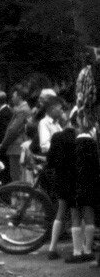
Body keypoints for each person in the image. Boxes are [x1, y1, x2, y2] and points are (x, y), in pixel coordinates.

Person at [45, 109, 75, 260]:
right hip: (76, 180)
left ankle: (52, 247)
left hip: (60, 179)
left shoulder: (57, 137)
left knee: (60, 212)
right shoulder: (81, 139)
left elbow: (50, 160)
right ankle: (80, 248)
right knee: (79, 214)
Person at [68, 111, 98, 264]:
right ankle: (87, 250)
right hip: (90, 184)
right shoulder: (93, 145)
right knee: (89, 216)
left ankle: (76, 251)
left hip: (74, 185)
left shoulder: (72, 144)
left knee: (75, 217)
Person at [0, 89, 32, 184]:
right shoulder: (23, 109)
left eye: (14, 96)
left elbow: (13, 130)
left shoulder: (22, 111)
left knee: (16, 175)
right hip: (20, 144)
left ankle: (18, 197)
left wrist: (4, 143)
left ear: (20, 97)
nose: (12, 98)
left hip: (16, 146)